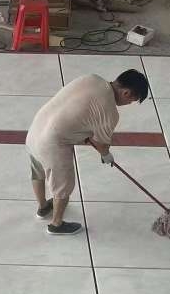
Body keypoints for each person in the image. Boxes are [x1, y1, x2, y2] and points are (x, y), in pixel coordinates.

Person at [25, 69, 150, 235]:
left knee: (38, 171)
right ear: (126, 93)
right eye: (131, 101)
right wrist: (106, 155)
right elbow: (102, 145)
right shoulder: (110, 112)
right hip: (52, 143)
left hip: (35, 130)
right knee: (63, 186)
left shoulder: (92, 78)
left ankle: (43, 207)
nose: (128, 104)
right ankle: (56, 225)